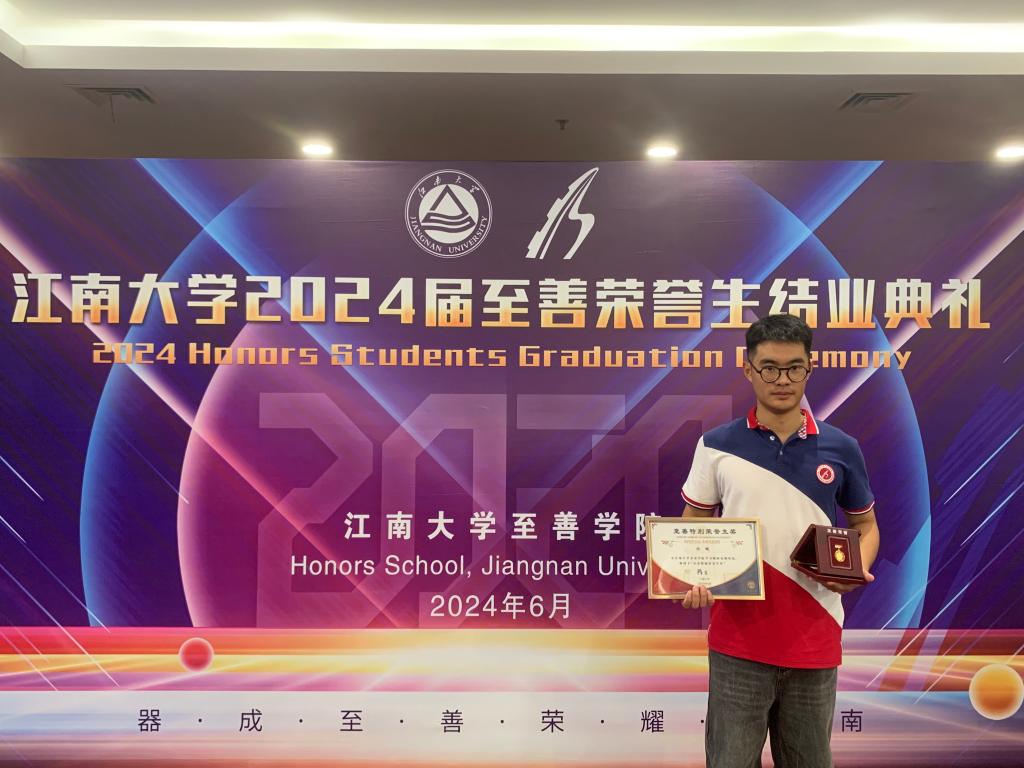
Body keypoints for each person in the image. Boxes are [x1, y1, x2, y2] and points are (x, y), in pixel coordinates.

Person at [679, 313, 879, 768]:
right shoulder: (716, 445)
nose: (782, 380)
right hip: (738, 642)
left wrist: (855, 570)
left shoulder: (841, 447)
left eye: (794, 368)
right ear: (748, 369)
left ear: (811, 368)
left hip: (816, 637)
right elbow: (694, 524)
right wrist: (692, 577)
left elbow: (866, 525)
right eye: (769, 368)